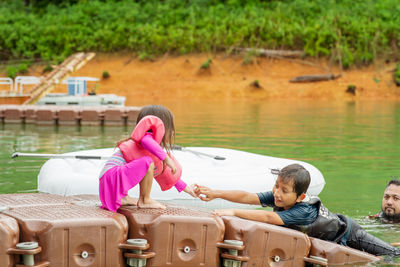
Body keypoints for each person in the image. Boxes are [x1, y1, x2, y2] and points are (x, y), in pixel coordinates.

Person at [194, 164, 400, 257]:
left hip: (350, 233)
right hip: (337, 236)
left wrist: (232, 212)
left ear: (300, 196)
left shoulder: (302, 210)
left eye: (284, 190)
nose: (277, 193)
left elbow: (269, 217)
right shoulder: (281, 195)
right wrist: (216, 193)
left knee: (392, 254)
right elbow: (248, 197)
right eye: (276, 186)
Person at [99, 105, 197, 212]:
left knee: (148, 163)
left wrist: (187, 189)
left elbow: (167, 174)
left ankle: (123, 197)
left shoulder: (150, 150)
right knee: (148, 163)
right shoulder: (146, 140)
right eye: (170, 127)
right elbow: (147, 141)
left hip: (108, 183)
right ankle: (145, 200)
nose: (173, 132)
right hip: (111, 177)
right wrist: (166, 158)